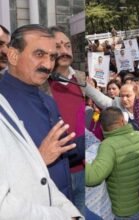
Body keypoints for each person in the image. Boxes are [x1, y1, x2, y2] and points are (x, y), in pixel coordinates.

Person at [0, 24, 77, 200]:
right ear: (13, 55)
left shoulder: (48, 100)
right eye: (39, 55)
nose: (48, 65)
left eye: (52, 57)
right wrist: (39, 159)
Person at [46, 26, 86, 214]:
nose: (64, 51)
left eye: (67, 45)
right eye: (58, 46)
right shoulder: (40, 85)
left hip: (86, 172)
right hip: (57, 173)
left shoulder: (82, 78)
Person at [85, 107, 139, 219]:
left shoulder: (108, 145)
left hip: (125, 211)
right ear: (122, 121)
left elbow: (92, 177)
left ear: (102, 127)